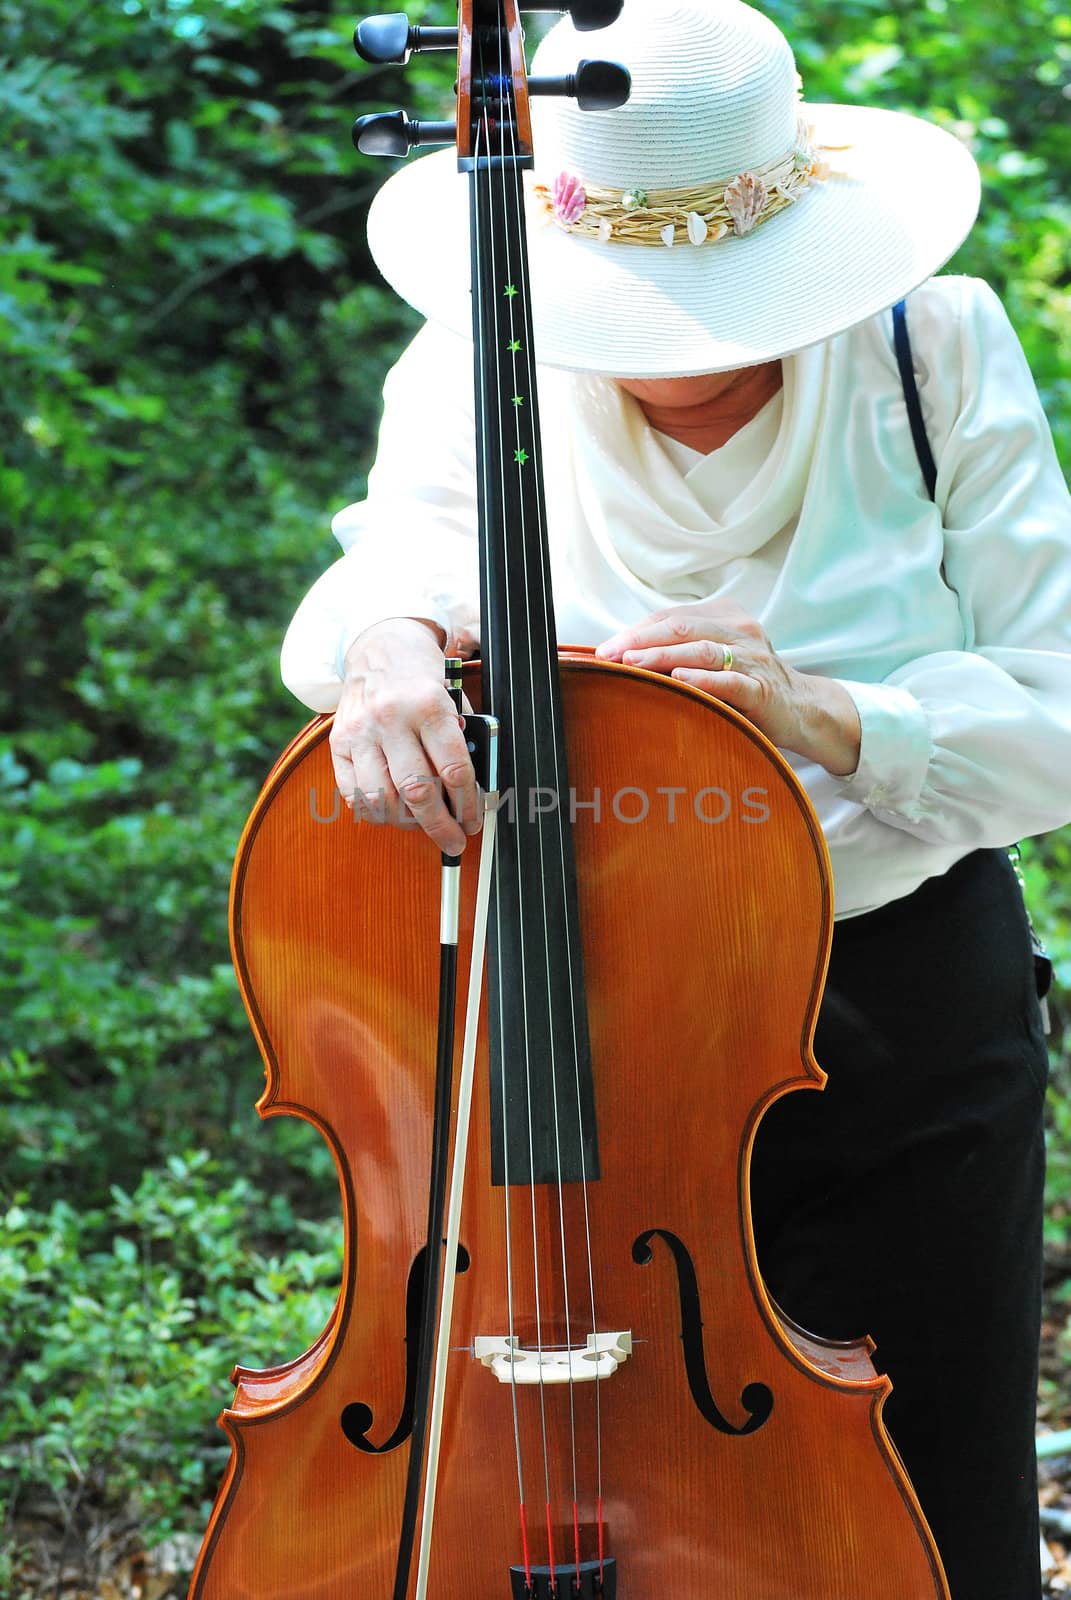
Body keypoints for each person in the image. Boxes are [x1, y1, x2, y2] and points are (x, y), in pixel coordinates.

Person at [279, 2, 1071, 1593]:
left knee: (932, 1491)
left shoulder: (937, 341)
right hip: (586, 1004)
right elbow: (379, 579)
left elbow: (1057, 712)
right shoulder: (479, 341)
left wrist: (832, 714)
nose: (687, 355)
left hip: (893, 999)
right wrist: (384, 642)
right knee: (604, 1474)